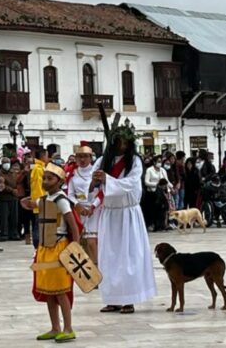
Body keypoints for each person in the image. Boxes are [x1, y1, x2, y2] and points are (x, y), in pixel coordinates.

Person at [92, 124, 156, 314]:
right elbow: (92, 183)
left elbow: (131, 183)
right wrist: (96, 180)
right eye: (119, 141)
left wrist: (107, 180)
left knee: (129, 257)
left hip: (128, 214)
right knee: (109, 257)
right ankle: (112, 299)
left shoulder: (134, 161)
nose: (122, 145)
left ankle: (129, 299)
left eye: (126, 142)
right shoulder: (104, 161)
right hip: (110, 214)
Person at [21, 163, 81, 343]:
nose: (46, 181)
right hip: (44, 248)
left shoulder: (62, 200)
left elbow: (72, 224)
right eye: (44, 178)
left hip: (60, 247)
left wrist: (75, 245)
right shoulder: (45, 198)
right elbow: (33, 203)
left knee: (61, 290)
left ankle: (68, 327)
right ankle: (55, 327)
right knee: (48, 291)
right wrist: (26, 203)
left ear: (60, 181)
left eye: (50, 178)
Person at [67, 145, 101, 264]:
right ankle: (89, 271)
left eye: (85, 156)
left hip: (95, 209)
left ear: (90, 158)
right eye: (80, 157)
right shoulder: (73, 174)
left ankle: (97, 268)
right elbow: (70, 194)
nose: (82, 160)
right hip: (79, 210)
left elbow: (103, 192)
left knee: (93, 241)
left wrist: (93, 206)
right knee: (84, 243)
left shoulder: (97, 172)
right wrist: (77, 205)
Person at [29, 147, 49, 249]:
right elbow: (37, 187)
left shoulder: (41, 167)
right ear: (42, 156)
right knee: (38, 226)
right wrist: (40, 201)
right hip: (40, 202)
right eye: (47, 155)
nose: (48, 158)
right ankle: (37, 247)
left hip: (42, 200)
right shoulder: (37, 169)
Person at [144, 156, 171, 231]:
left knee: (162, 210)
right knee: (153, 211)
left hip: (162, 193)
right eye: (158, 161)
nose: (160, 163)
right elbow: (146, 182)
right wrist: (156, 184)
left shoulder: (162, 170)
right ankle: (152, 225)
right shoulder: (149, 170)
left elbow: (167, 181)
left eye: (160, 161)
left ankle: (162, 225)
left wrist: (171, 187)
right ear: (154, 162)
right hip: (152, 193)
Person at [0, 161, 21, 241]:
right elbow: (1, 185)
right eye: (5, 162)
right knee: (4, 217)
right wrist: (11, 190)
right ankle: (4, 234)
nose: (7, 164)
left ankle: (14, 233)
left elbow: (17, 182)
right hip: (4, 198)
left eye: (8, 162)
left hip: (14, 198)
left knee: (14, 217)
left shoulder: (13, 173)